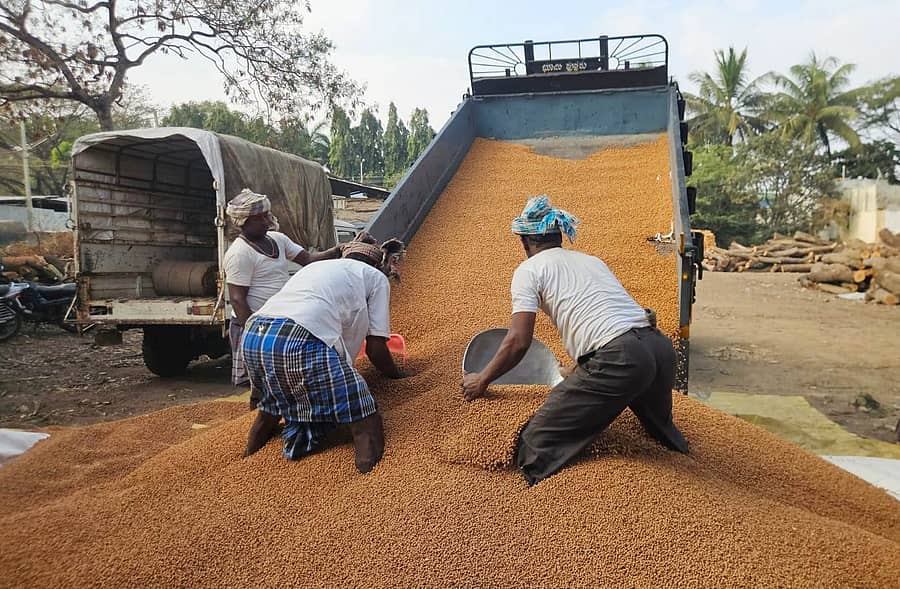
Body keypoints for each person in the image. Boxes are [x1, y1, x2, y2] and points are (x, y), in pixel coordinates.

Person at [461, 195, 689, 486]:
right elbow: (613, 322)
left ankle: (534, 495)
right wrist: (581, 368)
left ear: (525, 242)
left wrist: (482, 380)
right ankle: (685, 466)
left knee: (535, 442)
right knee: (660, 431)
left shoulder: (528, 271)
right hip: (658, 348)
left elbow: (518, 340)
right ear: (558, 236)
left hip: (622, 360)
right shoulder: (592, 261)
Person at [241, 238, 407, 473]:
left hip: (255, 334)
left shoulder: (318, 268)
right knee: (364, 417)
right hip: (299, 337)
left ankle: (246, 461)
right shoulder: (376, 277)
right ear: (376, 264)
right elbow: (376, 349)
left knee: (272, 407)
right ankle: (371, 478)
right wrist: (398, 376)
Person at [223, 189, 343, 407]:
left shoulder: (278, 240)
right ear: (243, 222)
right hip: (255, 325)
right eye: (260, 218)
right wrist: (254, 335)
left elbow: (309, 260)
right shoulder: (239, 254)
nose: (267, 221)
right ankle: (256, 419)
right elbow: (238, 300)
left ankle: (279, 415)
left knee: (283, 377)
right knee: (260, 383)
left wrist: (338, 250)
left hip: (280, 321)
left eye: (266, 215)